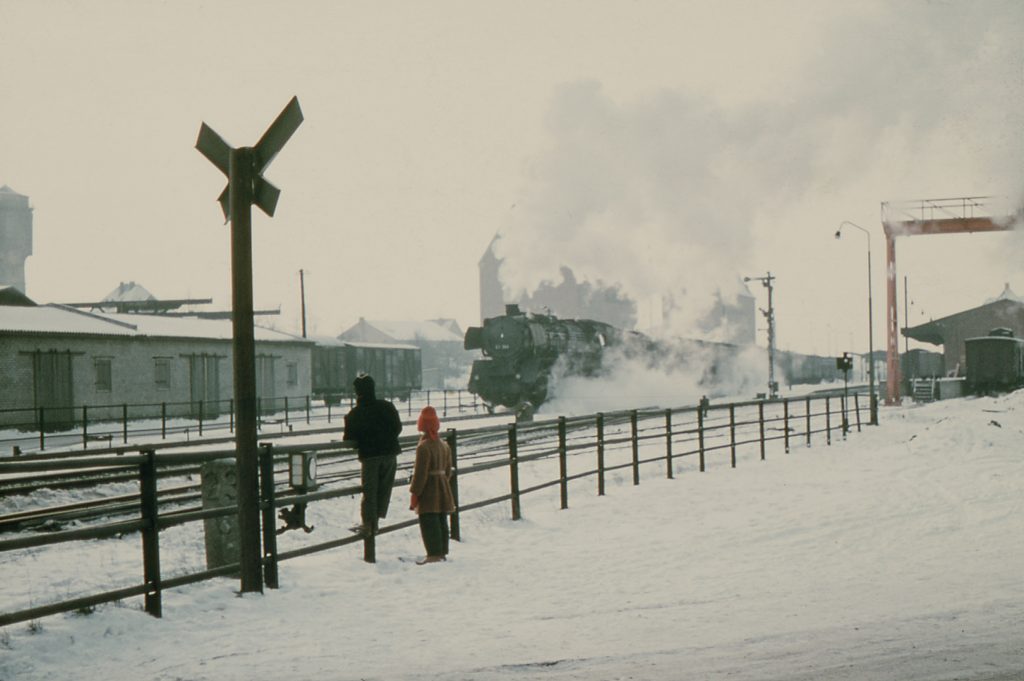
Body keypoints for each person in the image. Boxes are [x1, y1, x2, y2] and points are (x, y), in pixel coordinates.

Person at [343, 374, 403, 535]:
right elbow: (397, 427)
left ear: (357, 392)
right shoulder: (387, 406)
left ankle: (369, 524)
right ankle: (375, 520)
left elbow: (348, 438)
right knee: (384, 489)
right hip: (390, 453)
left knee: (370, 492)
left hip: (370, 456)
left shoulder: (355, 413)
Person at [408, 405, 455, 564]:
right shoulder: (444, 445)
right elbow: (448, 470)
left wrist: (415, 492)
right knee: (442, 518)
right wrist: (443, 482)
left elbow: (420, 474)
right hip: (442, 485)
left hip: (429, 489)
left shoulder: (423, 447)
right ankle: (442, 552)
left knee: (428, 520)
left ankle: (433, 554)